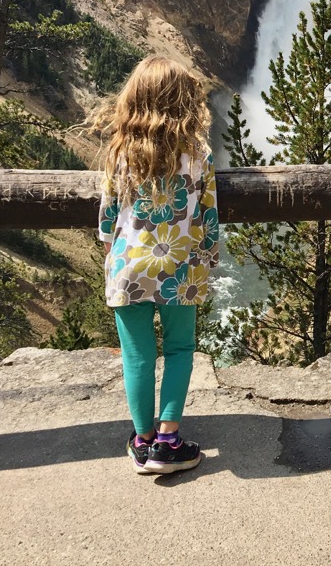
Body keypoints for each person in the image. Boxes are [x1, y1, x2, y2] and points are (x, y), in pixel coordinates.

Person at [92, 55, 219, 475]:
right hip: (179, 269)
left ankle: (142, 440)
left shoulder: (119, 153)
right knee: (180, 349)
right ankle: (168, 441)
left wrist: (113, 253)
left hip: (129, 267)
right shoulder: (197, 156)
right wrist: (208, 258)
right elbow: (208, 217)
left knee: (138, 355)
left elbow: (107, 218)